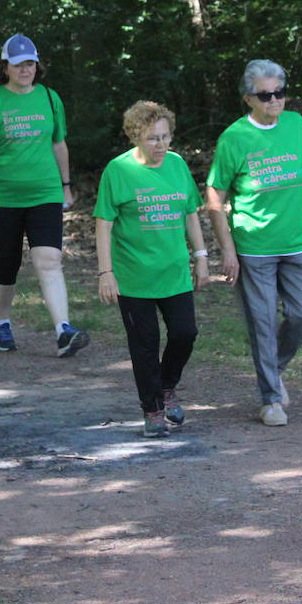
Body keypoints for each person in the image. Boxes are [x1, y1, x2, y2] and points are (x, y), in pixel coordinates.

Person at [206, 59, 302, 427]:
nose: (275, 101)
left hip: (297, 240)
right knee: (262, 322)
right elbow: (215, 193)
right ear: (249, 99)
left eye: (280, 93)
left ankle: (273, 368)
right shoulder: (234, 138)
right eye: (266, 96)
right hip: (254, 246)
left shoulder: (296, 124)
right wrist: (227, 249)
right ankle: (270, 398)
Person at [0, 33, 88, 357]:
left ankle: (63, 330)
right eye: (19, 64)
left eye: (31, 64)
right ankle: (1, 323)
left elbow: (58, 144)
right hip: (3, 196)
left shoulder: (50, 98)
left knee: (49, 260)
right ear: (5, 67)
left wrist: (66, 185)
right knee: (7, 262)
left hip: (45, 193)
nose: (26, 70)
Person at [94, 101, 210, 437]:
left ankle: (167, 385)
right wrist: (106, 272)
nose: (160, 145)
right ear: (135, 137)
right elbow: (104, 223)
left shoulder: (176, 165)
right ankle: (153, 410)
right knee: (144, 345)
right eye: (152, 138)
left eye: (165, 137)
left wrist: (201, 256)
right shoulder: (118, 171)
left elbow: (190, 213)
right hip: (133, 277)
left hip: (174, 271)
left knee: (185, 333)